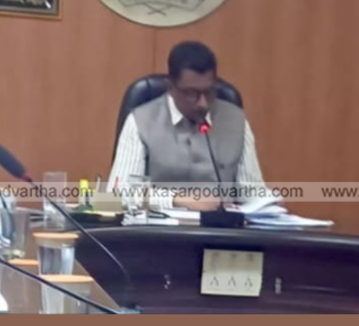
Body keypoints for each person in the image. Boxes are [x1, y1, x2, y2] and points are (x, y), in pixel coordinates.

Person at [108, 41, 277, 212]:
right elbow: (115, 195)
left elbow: (252, 192)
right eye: (191, 93)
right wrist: (175, 199)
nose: (203, 103)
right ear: (171, 87)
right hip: (159, 226)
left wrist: (268, 203)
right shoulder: (140, 121)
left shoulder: (236, 121)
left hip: (220, 226)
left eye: (209, 92)